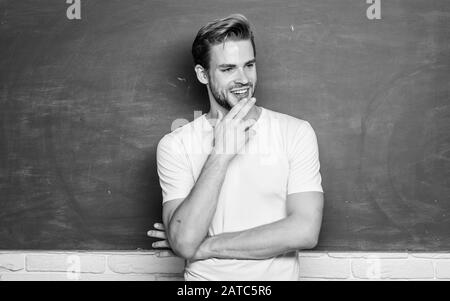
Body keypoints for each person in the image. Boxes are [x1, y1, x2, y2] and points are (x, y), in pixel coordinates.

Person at [147, 14, 324, 281]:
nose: (243, 79)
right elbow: (184, 242)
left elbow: (305, 230)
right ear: (202, 74)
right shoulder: (175, 145)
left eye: (249, 65)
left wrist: (205, 246)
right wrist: (220, 154)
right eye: (228, 69)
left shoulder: (295, 132)